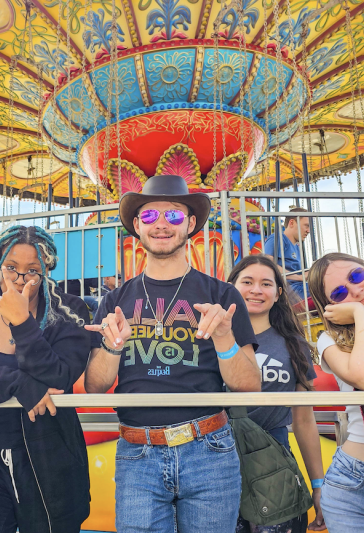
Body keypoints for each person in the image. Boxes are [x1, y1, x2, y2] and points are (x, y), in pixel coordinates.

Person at [84, 174, 260, 533]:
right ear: (137, 225)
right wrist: (111, 346)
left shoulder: (223, 295)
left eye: (174, 216)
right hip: (137, 452)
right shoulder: (114, 301)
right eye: (149, 217)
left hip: (209, 449)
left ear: (191, 223)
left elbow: (249, 384)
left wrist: (224, 337)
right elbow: (95, 386)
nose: (161, 225)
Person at [0, 225, 91, 533]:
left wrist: (22, 323)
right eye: (11, 268)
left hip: (50, 457)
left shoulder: (70, 311)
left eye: (32, 271)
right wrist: (18, 383)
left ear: (46, 271)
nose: (21, 279)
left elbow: (60, 375)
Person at [227, 255, 326, 532]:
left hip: (274, 466)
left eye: (266, 283)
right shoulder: (212, 338)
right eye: (247, 282)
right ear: (231, 287)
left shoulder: (293, 345)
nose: (256, 289)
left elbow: (304, 421)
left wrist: (317, 486)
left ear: (278, 293)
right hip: (217, 464)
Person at [308, 252, 364, 530]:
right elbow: (361, 376)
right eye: (341, 293)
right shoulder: (329, 340)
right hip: (351, 481)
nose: (355, 290)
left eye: (357, 276)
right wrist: (360, 313)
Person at [263, 207, 311, 301]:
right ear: (292, 223)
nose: (308, 231)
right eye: (306, 226)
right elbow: (267, 264)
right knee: (324, 289)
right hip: (288, 289)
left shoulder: (296, 247)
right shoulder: (277, 238)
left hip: (299, 287)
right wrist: (300, 277)